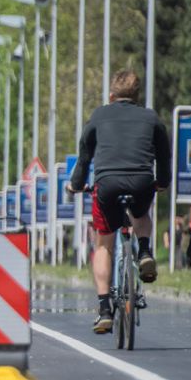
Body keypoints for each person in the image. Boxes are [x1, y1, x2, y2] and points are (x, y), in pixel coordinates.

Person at [66, 70, 171, 334]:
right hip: (141, 181)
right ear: (137, 97)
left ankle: (104, 309)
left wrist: (75, 185)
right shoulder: (150, 117)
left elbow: (84, 157)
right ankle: (145, 251)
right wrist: (162, 182)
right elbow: (164, 155)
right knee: (141, 214)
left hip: (108, 184)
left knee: (103, 243)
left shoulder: (99, 116)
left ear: (111, 95)